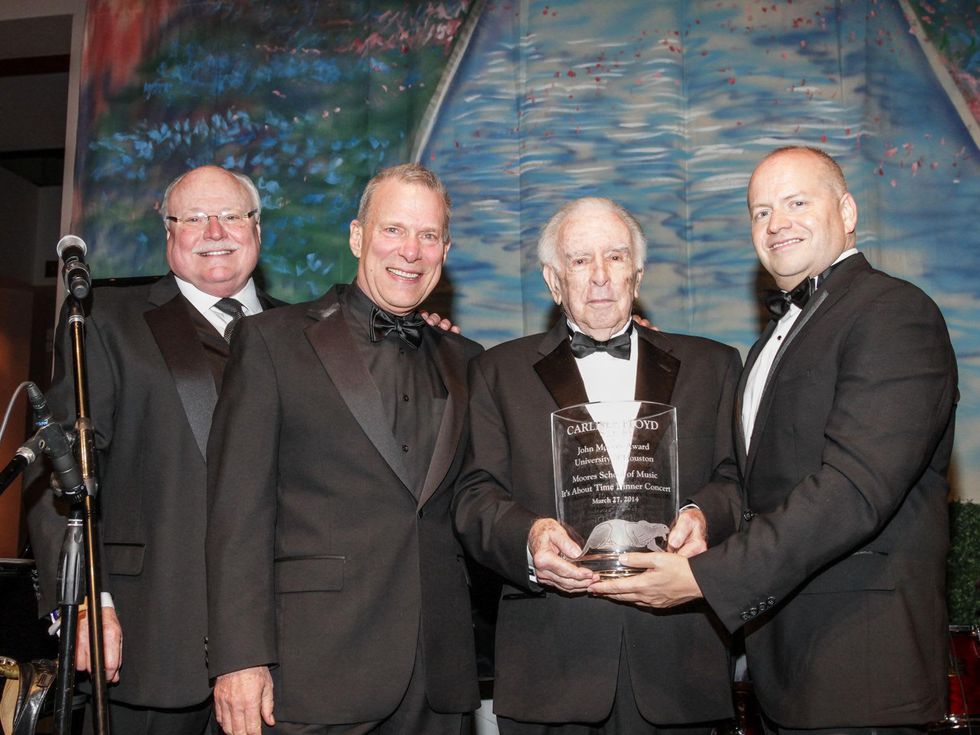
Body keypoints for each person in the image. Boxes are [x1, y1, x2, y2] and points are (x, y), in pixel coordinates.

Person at [590, 147, 959, 731]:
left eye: (796, 202)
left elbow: (853, 489)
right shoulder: (768, 343)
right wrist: (699, 517)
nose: (776, 223)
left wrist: (704, 578)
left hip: (862, 668)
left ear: (847, 210)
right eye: (760, 212)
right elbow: (751, 482)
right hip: (780, 670)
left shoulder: (894, 312)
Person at [205, 162, 482, 735]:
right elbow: (237, 513)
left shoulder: (470, 362)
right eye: (393, 230)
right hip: (312, 671)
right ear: (358, 237)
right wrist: (239, 658)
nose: (410, 250)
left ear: (445, 249)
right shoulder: (271, 341)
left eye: (428, 235)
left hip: (438, 677)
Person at [451, 197, 741, 733]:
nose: (601, 277)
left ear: (638, 270)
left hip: (680, 665)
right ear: (553, 279)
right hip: (551, 667)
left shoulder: (714, 365)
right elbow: (474, 495)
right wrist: (529, 537)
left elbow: (736, 481)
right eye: (580, 261)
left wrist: (704, 515)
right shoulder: (497, 372)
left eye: (615, 256)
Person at [24, 165, 280, 734]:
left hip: (286, 652)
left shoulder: (304, 331)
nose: (215, 230)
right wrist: (86, 603)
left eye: (232, 215)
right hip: (148, 647)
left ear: (257, 230)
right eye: (193, 217)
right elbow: (54, 471)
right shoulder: (106, 323)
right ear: (169, 233)